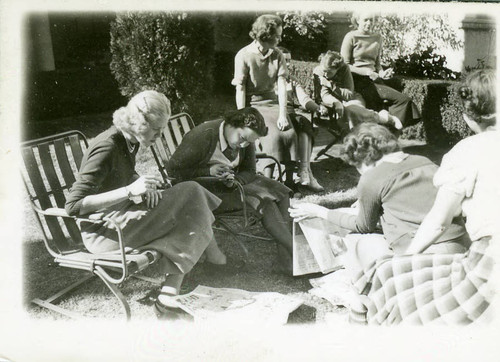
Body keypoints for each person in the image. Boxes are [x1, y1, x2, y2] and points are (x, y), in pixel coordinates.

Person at [340, 69, 497, 324]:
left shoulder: (468, 151)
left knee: (386, 280)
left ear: (469, 117)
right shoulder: (422, 161)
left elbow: (439, 221)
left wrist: (405, 258)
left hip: (489, 263)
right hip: (470, 249)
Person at [65, 90, 224, 317]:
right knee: (191, 196)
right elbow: (73, 206)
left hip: (121, 217)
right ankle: (177, 288)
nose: (159, 136)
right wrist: (130, 190)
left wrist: (143, 186)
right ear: (138, 123)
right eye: (157, 130)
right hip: (105, 233)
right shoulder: (107, 146)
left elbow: (120, 175)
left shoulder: (128, 140)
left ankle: (170, 292)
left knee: (190, 195)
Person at [289, 122, 470, 276]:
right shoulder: (424, 160)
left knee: (355, 240)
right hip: (461, 246)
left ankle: (366, 296)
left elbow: (363, 226)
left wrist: (320, 211)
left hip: (421, 255)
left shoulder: (371, 177)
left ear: (362, 159)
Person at [167, 107, 294, 274]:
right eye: (242, 139)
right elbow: (173, 172)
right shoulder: (203, 136)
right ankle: (295, 251)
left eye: (249, 142)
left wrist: (236, 180)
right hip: (204, 193)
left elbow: (249, 170)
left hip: (230, 186)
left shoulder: (245, 137)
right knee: (264, 203)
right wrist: (208, 172)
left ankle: (286, 260)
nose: (244, 145)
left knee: (282, 193)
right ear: (231, 124)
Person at [232, 14, 301, 190]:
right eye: (277, 36)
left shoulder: (277, 55)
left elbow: (281, 85)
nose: (280, 39)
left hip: (273, 103)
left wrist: (283, 114)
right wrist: (243, 116)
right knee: (273, 137)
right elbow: (240, 88)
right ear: (266, 35)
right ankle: (268, 182)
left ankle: (290, 182)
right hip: (253, 105)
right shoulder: (243, 55)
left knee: (289, 133)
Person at [340, 12, 421, 127]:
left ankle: (389, 131)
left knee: (404, 100)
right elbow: (345, 65)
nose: (369, 23)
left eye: (371, 20)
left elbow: (377, 63)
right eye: (366, 20)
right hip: (357, 81)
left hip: (374, 80)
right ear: (357, 20)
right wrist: (367, 72)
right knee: (397, 102)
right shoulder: (351, 37)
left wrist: (383, 73)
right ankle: (389, 127)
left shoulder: (377, 38)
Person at [313, 50, 403, 131]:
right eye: (324, 71)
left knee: (350, 111)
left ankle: (382, 120)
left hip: (353, 98)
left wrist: (331, 86)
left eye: (329, 72)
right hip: (336, 101)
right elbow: (325, 95)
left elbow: (349, 95)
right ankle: (382, 118)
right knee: (350, 116)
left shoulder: (344, 69)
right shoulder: (319, 72)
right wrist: (336, 102)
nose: (325, 74)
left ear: (337, 69)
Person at [277, 46, 325, 192]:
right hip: (275, 114)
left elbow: (304, 99)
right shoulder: (268, 81)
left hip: (291, 113)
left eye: (289, 60)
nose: (288, 64)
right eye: (285, 60)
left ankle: (304, 169)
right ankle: (306, 174)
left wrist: (317, 107)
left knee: (303, 122)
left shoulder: (291, 80)